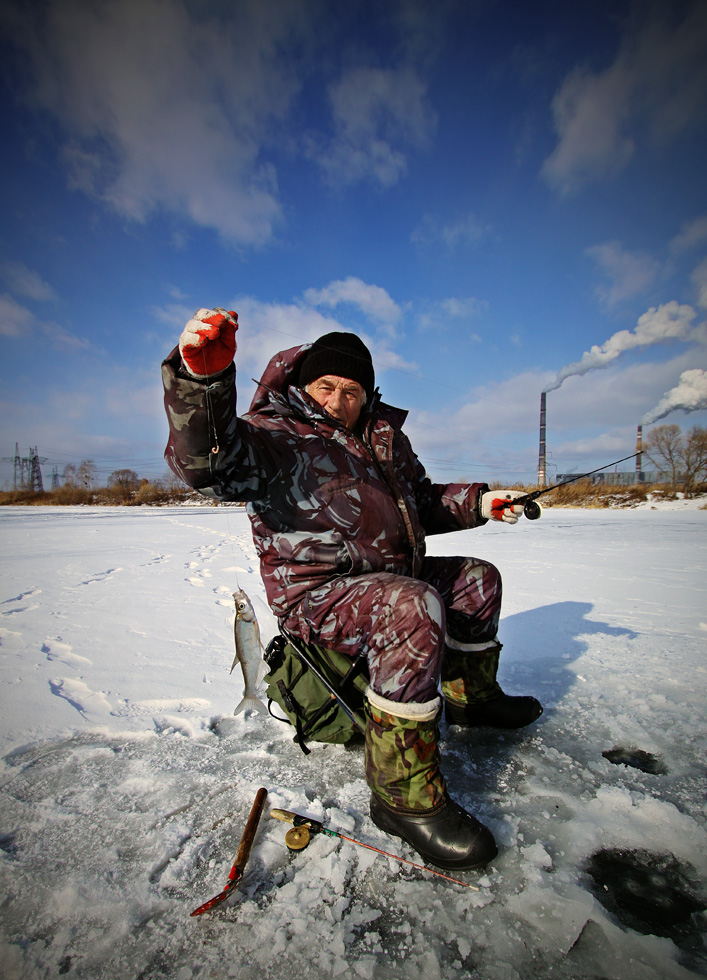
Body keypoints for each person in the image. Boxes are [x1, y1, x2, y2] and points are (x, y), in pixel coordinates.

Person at [162, 308, 542, 872]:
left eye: (353, 391)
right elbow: (205, 463)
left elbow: (421, 498)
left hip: (386, 580)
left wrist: (481, 502)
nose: (340, 402)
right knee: (410, 606)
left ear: (368, 394)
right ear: (304, 385)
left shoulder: (384, 439)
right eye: (327, 386)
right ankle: (402, 798)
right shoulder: (275, 436)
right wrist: (202, 383)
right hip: (317, 594)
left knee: (476, 580)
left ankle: (472, 702)